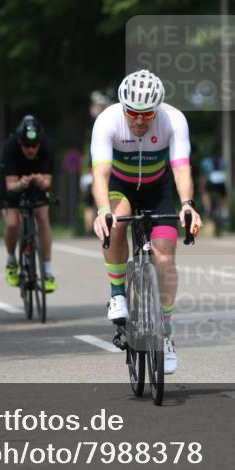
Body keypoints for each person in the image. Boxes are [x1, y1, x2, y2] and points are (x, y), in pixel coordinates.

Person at [91, 69, 202, 375]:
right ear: (123, 107)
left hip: (157, 188)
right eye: (133, 113)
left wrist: (187, 205)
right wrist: (103, 209)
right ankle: (117, 293)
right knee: (115, 223)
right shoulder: (107, 120)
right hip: (120, 187)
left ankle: (165, 334)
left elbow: (181, 168)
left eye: (147, 114)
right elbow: (100, 173)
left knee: (165, 256)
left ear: (158, 109)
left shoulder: (174, 119)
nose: (139, 121)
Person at [0, 115, 57, 292]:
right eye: (26, 145)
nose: (31, 149)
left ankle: (47, 272)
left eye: (34, 145)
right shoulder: (10, 146)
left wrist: (40, 181)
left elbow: (47, 182)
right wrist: (20, 184)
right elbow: (10, 185)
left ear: (40, 142)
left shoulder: (47, 146)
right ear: (19, 141)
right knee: (12, 222)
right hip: (14, 183)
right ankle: (11, 261)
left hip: (36, 184)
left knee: (43, 218)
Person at [199, 154, 229, 233]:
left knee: (205, 193)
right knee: (224, 196)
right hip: (221, 181)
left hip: (211, 181)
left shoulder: (205, 162)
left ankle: (208, 209)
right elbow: (225, 172)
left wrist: (202, 186)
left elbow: (204, 176)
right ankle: (225, 214)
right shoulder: (222, 161)